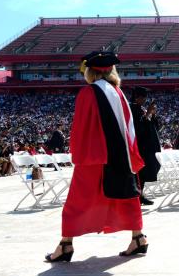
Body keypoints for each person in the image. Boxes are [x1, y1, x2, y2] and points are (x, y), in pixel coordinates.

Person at [47, 52, 148, 262]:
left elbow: (81, 128)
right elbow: (130, 129)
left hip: (95, 158)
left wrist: (79, 154)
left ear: (90, 71)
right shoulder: (118, 93)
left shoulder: (89, 92)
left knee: (78, 199)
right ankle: (138, 238)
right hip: (120, 156)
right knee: (126, 196)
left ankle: (66, 244)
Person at [129, 86, 161, 205]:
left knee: (145, 171)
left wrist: (151, 114)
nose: (144, 100)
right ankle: (138, 195)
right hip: (139, 146)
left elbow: (152, 126)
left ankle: (140, 194)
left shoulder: (140, 108)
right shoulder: (132, 108)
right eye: (143, 98)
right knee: (140, 172)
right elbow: (138, 128)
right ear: (137, 97)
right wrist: (147, 113)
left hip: (146, 147)